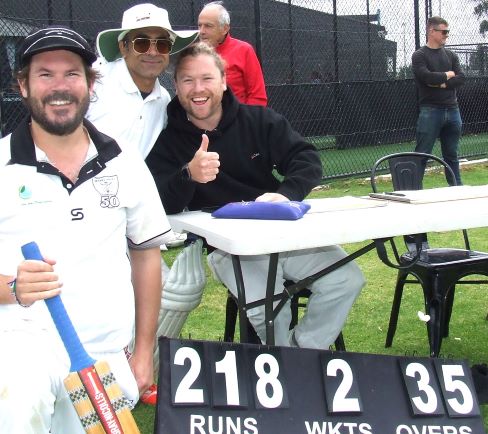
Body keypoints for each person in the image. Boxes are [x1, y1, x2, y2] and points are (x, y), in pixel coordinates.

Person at [0, 26, 174, 433]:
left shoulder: (125, 160)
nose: (59, 87)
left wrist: (144, 351)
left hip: (104, 352)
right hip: (22, 346)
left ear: (90, 84)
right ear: (23, 86)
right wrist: (11, 288)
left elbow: (146, 254)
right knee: (18, 408)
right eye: (45, 74)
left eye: (71, 74)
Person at [146, 42, 365, 350]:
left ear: (223, 81)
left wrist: (285, 195)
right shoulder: (167, 141)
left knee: (345, 279)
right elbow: (157, 202)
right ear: (177, 87)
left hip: (281, 234)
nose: (198, 89)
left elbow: (306, 158)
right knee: (270, 308)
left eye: (207, 78)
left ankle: (301, 356)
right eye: (187, 80)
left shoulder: (259, 120)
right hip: (227, 248)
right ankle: (292, 367)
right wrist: (188, 175)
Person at [87, 3, 198, 159]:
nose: (153, 52)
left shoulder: (163, 100)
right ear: (123, 47)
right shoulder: (92, 84)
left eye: (162, 44)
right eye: (141, 43)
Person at [412, 16, 465, 185]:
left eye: (447, 32)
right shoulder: (419, 55)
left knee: (452, 155)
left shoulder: (451, 55)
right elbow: (426, 77)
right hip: (430, 110)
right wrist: (447, 75)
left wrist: (440, 83)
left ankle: (457, 190)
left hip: (452, 109)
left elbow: (462, 78)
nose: (446, 35)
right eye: (444, 32)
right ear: (432, 31)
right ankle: (412, 190)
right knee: (422, 154)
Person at [198, 1, 267, 106]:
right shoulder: (194, 54)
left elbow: (258, 97)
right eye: (200, 25)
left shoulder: (244, 50)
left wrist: (245, 121)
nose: (201, 31)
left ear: (225, 28)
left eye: (208, 26)